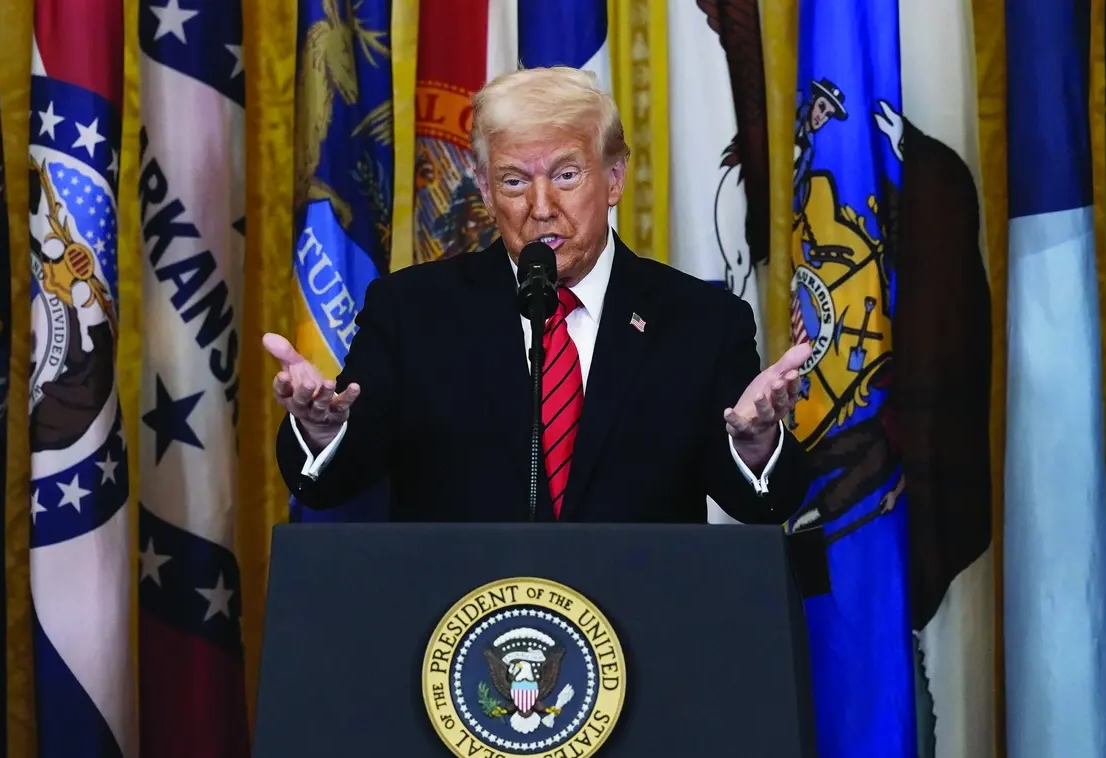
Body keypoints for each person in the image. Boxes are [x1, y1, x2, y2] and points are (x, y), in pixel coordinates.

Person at [266, 66, 812, 525]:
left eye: (567, 175)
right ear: (483, 190)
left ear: (614, 179)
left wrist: (757, 446)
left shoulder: (702, 322)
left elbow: (761, 505)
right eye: (512, 181)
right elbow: (331, 486)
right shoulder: (411, 313)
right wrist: (319, 432)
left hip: (640, 636)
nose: (542, 205)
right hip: (458, 634)